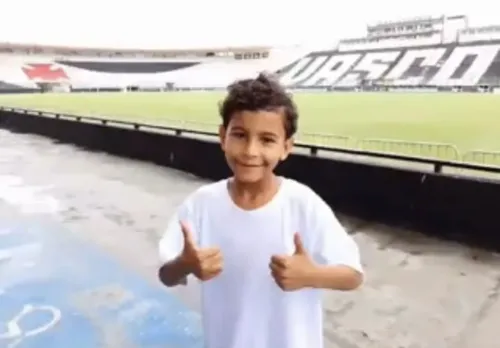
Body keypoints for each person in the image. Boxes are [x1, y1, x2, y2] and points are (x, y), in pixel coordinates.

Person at [157, 73, 363, 348]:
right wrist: (185, 264)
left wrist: (311, 275)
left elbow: (353, 275)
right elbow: (166, 275)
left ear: (286, 147)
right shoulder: (201, 204)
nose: (250, 151)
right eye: (240, 135)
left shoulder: (302, 203)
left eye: (267, 140)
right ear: (223, 137)